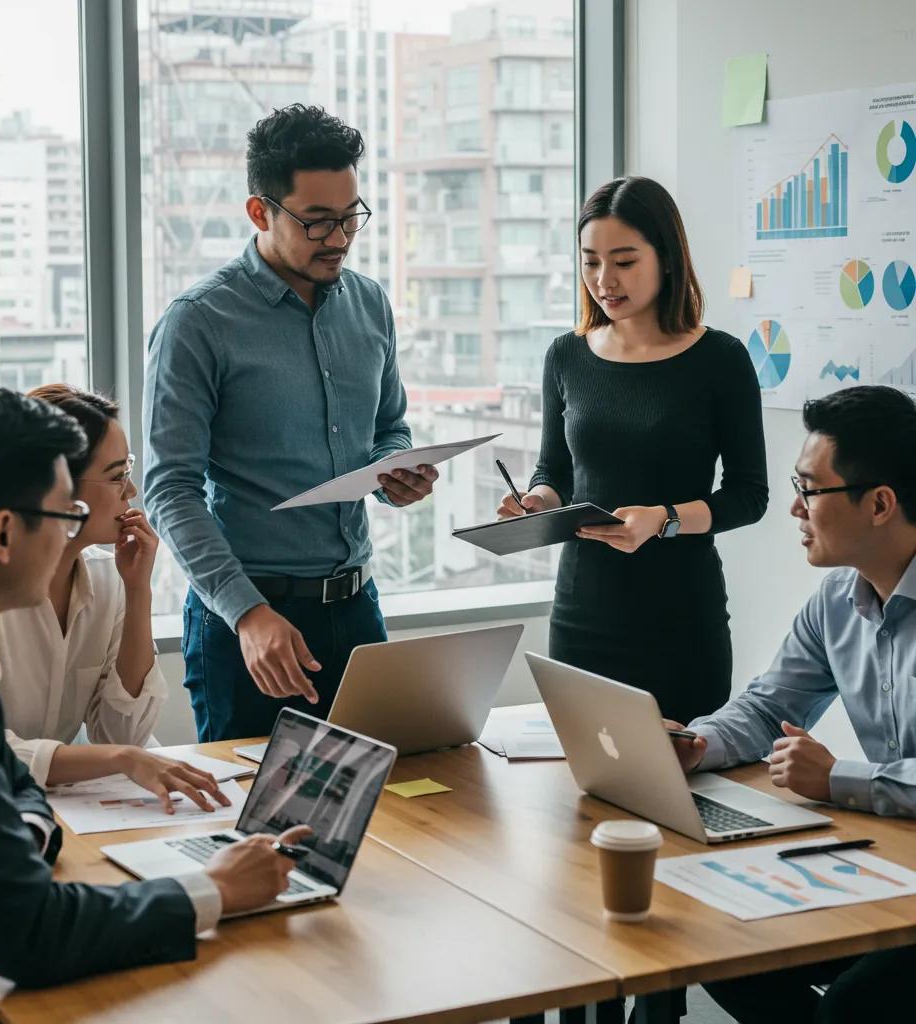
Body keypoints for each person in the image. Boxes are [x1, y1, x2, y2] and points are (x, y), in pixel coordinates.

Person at [0, 385, 309, 1020]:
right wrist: (216, 888)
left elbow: (19, 789)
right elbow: (33, 935)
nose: (71, 539)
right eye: (64, 516)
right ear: (5, 533)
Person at [144, 104, 436, 742]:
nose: (339, 238)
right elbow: (168, 489)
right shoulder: (197, 322)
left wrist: (397, 471)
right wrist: (248, 613)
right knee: (257, 830)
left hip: (358, 611)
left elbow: (390, 425)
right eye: (317, 222)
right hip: (249, 623)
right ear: (260, 212)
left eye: (350, 217)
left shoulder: (370, 302)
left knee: (390, 811)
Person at [663, 386, 916, 1023]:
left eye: (810, 489)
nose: (795, 509)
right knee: (717, 940)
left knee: (857, 1006)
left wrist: (840, 778)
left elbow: (837, 777)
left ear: (880, 504)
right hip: (894, 859)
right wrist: (700, 742)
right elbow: (768, 704)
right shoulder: (837, 600)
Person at [498, 176, 768, 725]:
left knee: (687, 789)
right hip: (582, 611)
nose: (604, 280)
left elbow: (749, 495)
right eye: (590, 261)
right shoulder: (566, 355)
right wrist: (538, 502)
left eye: (623, 261)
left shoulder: (720, 359)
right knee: (582, 787)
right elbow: (556, 471)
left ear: (667, 259)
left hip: (680, 619)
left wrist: (664, 519)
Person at [0, 383, 220, 811]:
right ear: (55, 485)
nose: (131, 493)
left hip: (51, 812)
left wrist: (137, 590)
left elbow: (121, 735)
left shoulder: (108, 580)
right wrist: (123, 759)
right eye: (116, 476)